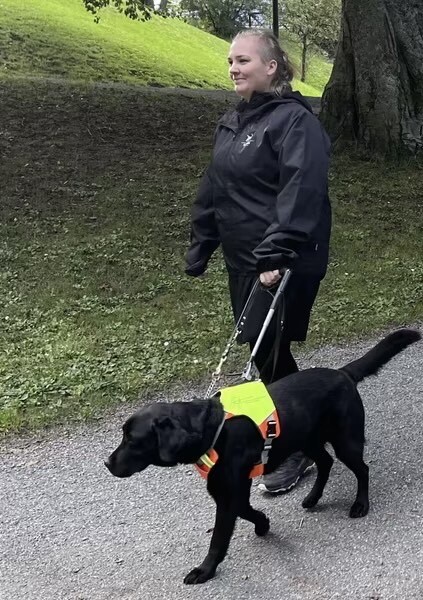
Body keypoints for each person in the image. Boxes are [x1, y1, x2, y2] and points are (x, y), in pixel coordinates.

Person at [185, 29, 332, 494]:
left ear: (271, 67)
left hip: (284, 258)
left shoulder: (294, 122)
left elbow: (301, 189)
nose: (233, 68)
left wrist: (277, 253)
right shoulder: (232, 122)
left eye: (243, 60)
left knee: (266, 346)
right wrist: (202, 242)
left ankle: (298, 447)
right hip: (243, 258)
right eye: (230, 60)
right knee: (264, 348)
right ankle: (310, 418)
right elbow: (215, 185)